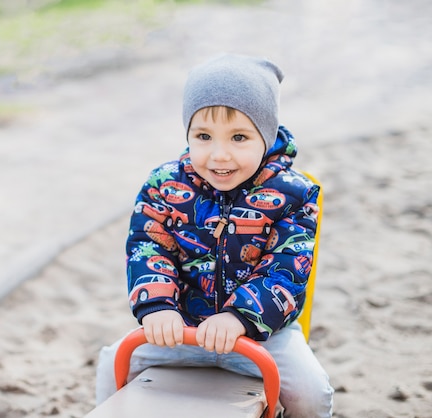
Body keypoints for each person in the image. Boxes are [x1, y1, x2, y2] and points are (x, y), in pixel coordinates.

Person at [95, 54, 334, 417]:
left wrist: (239, 317)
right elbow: (148, 247)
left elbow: (286, 268)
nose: (219, 155)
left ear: (266, 136)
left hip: (261, 334)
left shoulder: (294, 195)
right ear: (188, 134)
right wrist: (158, 306)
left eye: (239, 137)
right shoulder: (164, 185)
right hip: (182, 327)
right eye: (204, 136)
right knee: (113, 363)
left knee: (311, 393)